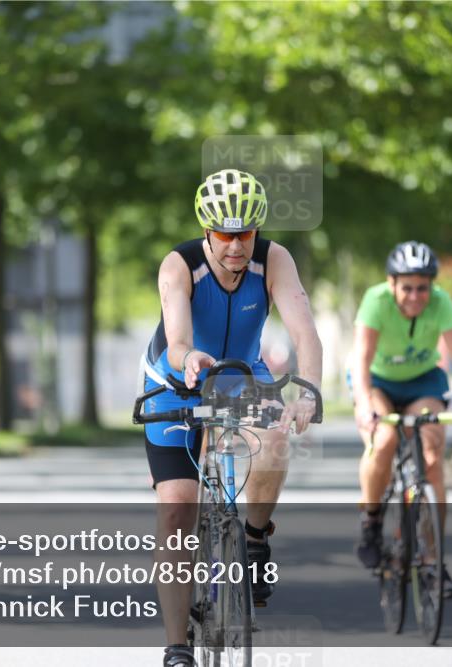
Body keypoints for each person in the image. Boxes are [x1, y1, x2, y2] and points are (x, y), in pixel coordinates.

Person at [140, 168, 322, 667]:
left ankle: (256, 538)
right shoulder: (179, 265)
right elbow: (177, 340)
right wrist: (188, 358)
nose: (237, 245)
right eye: (225, 234)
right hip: (174, 380)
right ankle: (178, 644)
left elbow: (305, 332)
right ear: (207, 232)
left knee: (277, 439)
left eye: (246, 233)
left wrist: (306, 391)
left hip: (242, 374)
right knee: (178, 510)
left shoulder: (274, 260)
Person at [350, 241, 452, 598]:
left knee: (432, 454)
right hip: (378, 381)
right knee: (384, 440)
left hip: (424, 382)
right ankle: (372, 520)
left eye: (422, 287)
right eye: (406, 287)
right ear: (391, 283)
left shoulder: (441, 303)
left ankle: (434, 561)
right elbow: (360, 361)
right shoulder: (375, 301)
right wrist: (364, 405)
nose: (414, 296)